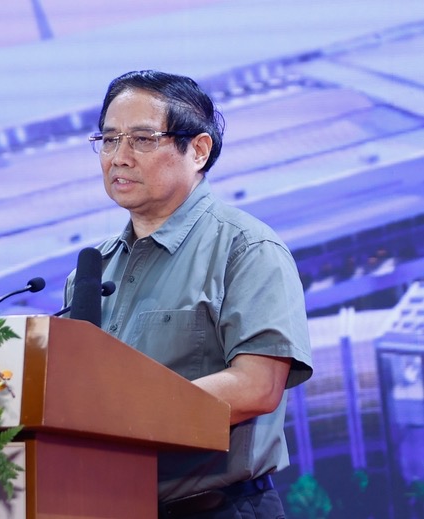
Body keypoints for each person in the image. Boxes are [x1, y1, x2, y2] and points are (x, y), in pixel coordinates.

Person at [64, 70, 313, 518]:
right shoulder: (91, 271)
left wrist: (120, 417)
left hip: (219, 507)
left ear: (198, 150)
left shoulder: (247, 248)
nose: (119, 157)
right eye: (109, 139)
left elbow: (257, 387)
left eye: (142, 140)